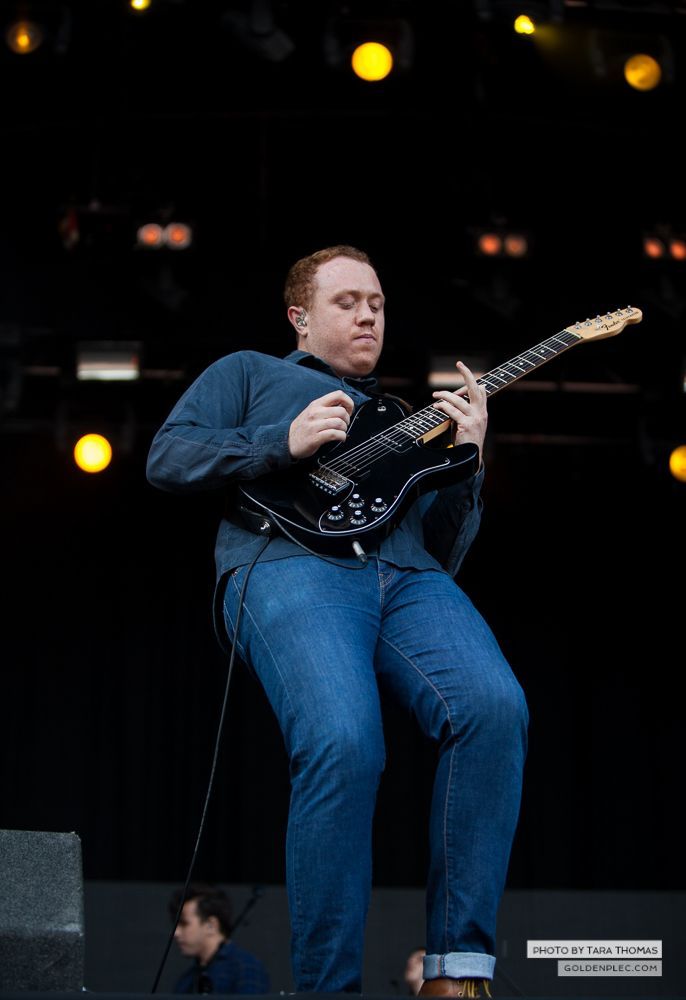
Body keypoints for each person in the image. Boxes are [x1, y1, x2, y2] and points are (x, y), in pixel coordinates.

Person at [147, 245, 528, 998]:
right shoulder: (251, 372)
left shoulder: (401, 417)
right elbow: (168, 456)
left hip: (408, 574)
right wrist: (278, 443)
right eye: (347, 301)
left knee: (494, 706)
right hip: (287, 564)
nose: (367, 315)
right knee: (345, 742)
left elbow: (443, 551)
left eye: (377, 304)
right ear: (299, 317)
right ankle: (329, 989)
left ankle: (459, 971)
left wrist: (469, 465)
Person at [169, 883, 270, 994]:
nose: (176, 933)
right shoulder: (186, 981)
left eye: (184, 924)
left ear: (211, 925)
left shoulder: (245, 968)